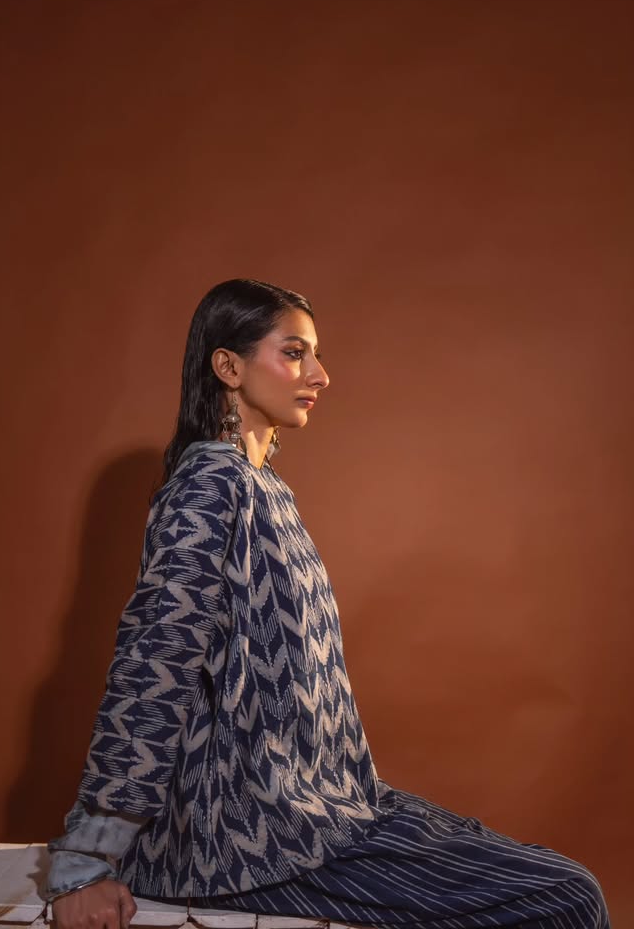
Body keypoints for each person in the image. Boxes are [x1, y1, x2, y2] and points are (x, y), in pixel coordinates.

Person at [46, 279, 611, 929]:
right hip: (245, 839)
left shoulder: (265, 488)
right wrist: (85, 860)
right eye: (294, 353)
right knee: (567, 899)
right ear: (228, 366)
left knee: (547, 881)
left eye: (315, 355)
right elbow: (156, 662)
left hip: (325, 807)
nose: (320, 374)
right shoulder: (209, 484)